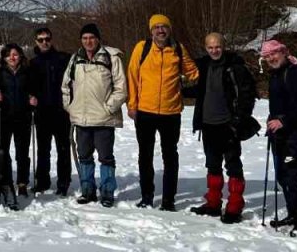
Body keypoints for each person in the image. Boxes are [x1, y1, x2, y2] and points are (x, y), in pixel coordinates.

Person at [126, 13, 199, 210]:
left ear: (169, 29)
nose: (160, 30)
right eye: (156, 27)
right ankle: (147, 196)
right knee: (145, 155)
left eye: (164, 27)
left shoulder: (177, 48)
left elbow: (194, 73)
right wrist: (132, 104)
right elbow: (132, 76)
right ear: (151, 31)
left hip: (171, 111)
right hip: (145, 111)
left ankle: (168, 200)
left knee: (170, 156)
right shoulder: (142, 48)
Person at [189, 32, 258, 224]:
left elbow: (247, 95)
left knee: (233, 165)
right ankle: (213, 204)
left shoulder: (236, 67)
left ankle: (235, 206)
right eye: (210, 47)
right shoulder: (203, 65)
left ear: (223, 46)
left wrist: (238, 120)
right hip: (208, 125)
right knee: (212, 165)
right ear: (206, 48)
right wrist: (176, 90)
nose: (214, 50)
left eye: (217, 46)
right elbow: (200, 90)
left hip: (229, 125)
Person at [63, 22, 126, 207]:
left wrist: (108, 108)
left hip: (103, 119)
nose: (88, 41)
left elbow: (121, 88)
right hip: (81, 118)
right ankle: (88, 190)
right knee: (84, 156)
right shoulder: (76, 58)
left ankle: (107, 192)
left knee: (106, 157)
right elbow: (65, 85)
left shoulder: (111, 58)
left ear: (98, 39)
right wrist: (70, 106)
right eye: (85, 38)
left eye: (91, 38)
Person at [262, 39, 297, 236]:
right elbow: (278, 106)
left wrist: (284, 122)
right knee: (282, 176)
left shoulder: (295, 73)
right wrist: (272, 122)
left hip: (295, 134)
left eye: (274, 54)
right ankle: (292, 214)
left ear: (283, 52)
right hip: (279, 134)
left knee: (292, 175)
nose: (271, 58)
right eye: (266, 56)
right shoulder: (276, 74)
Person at [28, 27, 72, 195]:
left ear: (51, 40)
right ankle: (42, 181)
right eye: (41, 40)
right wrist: (30, 97)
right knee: (43, 150)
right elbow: (29, 86)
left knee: (63, 148)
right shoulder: (32, 63)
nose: (44, 42)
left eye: (47, 39)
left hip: (61, 111)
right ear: (36, 42)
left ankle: (64, 182)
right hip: (42, 113)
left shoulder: (63, 58)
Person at [0, 43, 37, 196]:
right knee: (2, 151)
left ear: (21, 56)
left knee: (22, 152)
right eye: (9, 54)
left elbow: (34, 91)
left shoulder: (28, 73)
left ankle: (22, 182)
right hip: (3, 117)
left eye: (15, 54)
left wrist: (34, 99)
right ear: (4, 57)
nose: (12, 57)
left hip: (23, 117)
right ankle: (4, 180)